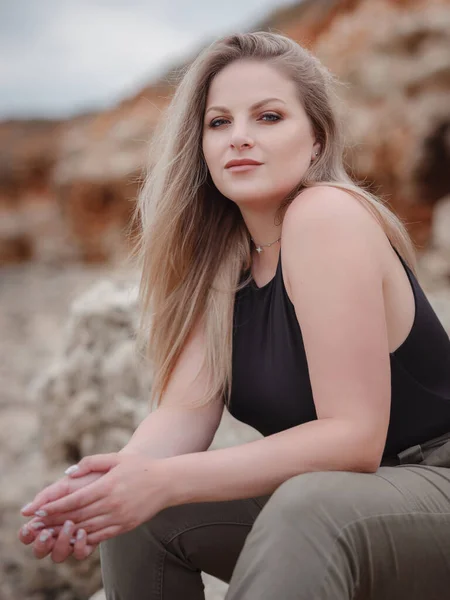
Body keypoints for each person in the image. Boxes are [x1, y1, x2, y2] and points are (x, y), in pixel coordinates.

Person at [19, 31, 450, 599]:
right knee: (143, 516)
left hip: (432, 485)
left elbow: (354, 439)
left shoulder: (326, 216)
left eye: (268, 117)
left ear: (317, 141)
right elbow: (181, 417)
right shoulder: (222, 260)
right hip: (342, 500)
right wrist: (104, 491)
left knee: (304, 503)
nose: (239, 138)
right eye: (219, 123)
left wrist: (164, 480)